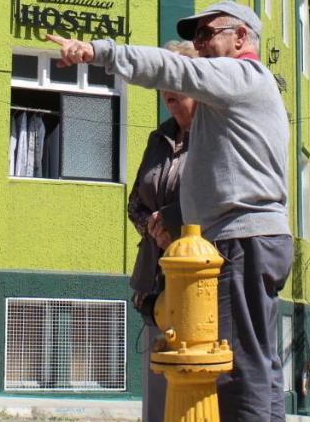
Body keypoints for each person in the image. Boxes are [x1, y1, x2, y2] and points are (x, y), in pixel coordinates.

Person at [48, 0, 292, 422]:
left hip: (242, 239)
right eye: (193, 37)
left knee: (237, 367)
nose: (197, 45)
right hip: (252, 237)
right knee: (258, 363)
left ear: (240, 38)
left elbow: (170, 67)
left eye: (206, 34)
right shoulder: (236, 93)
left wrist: (95, 51)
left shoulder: (238, 75)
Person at [127, 41, 197, 422]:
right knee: (156, 389)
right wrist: (154, 229)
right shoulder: (157, 139)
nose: (168, 92)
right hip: (153, 281)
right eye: (162, 84)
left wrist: (174, 225)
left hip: (196, 285)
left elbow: (219, 201)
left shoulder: (213, 136)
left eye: (175, 81)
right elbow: (134, 202)